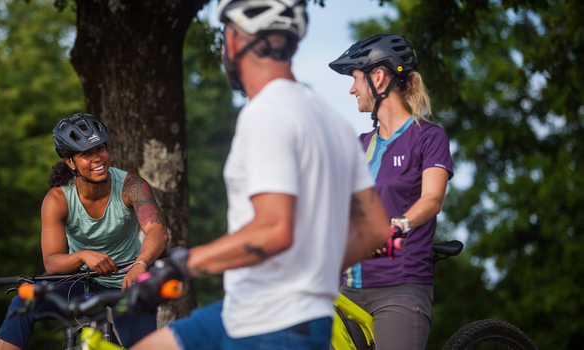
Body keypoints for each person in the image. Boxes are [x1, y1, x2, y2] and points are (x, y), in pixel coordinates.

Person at [131, 1, 391, 349]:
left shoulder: (266, 112)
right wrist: (311, 274)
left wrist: (180, 265)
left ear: (236, 39)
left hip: (272, 326)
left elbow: (273, 228)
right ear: (293, 46)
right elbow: (374, 228)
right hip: (251, 311)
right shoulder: (334, 121)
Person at [0, 113, 169, 350]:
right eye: (86, 154)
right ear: (70, 162)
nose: (98, 158)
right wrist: (82, 255)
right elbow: (52, 263)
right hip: (81, 281)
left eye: (101, 148)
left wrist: (141, 265)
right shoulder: (58, 199)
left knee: (143, 346)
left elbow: (158, 232)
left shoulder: (132, 186)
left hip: (128, 281)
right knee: (23, 301)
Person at [328, 33, 454, 350]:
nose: (352, 89)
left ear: (379, 78)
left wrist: (398, 225)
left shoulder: (428, 138)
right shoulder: (359, 145)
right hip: (349, 289)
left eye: (356, 78)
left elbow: (432, 199)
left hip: (399, 287)